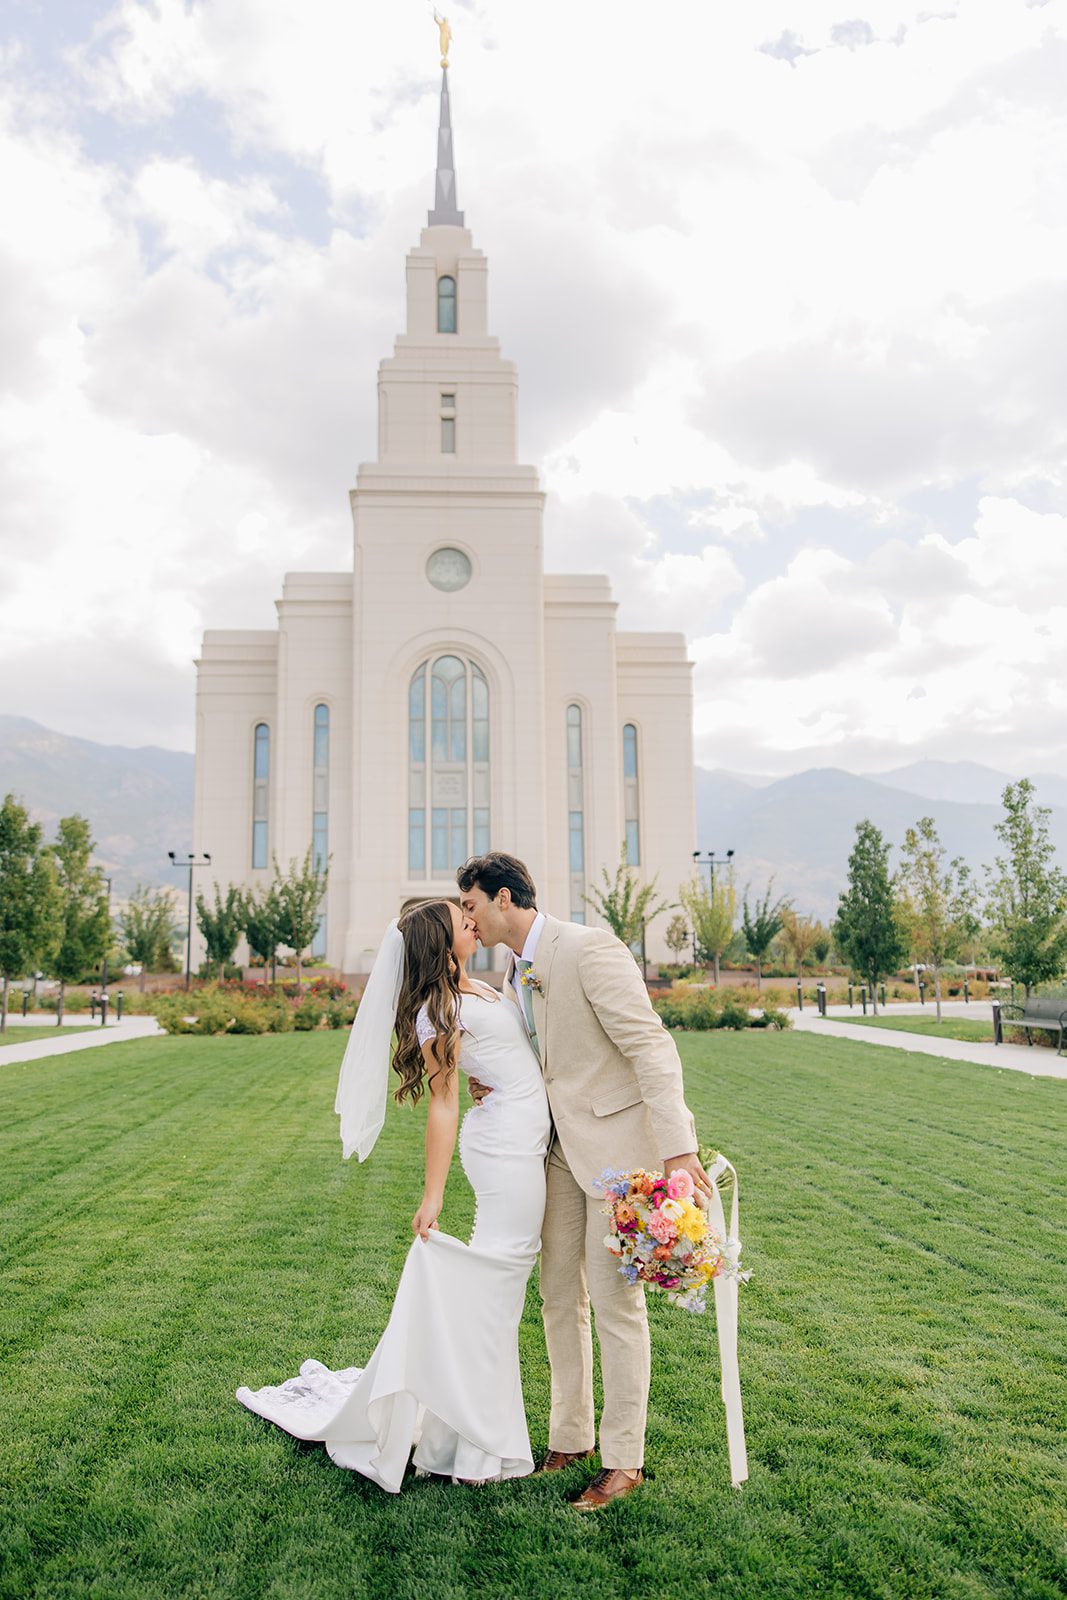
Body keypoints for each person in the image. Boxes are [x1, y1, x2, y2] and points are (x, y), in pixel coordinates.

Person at [235, 899, 551, 1492]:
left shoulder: (481, 987)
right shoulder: (438, 1010)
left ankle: (463, 1436)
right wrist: (433, 1195)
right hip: (504, 1151)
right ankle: (470, 1448)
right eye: (461, 921)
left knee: (493, 1295)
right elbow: (443, 1101)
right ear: (440, 944)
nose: (472, 921)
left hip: (525, 1139)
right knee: (499, 1291)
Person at [458, 851, 707, 1510]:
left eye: (471, 905)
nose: (468, 919)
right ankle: (569, 1440)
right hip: (556, 1150)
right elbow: (539, 1057)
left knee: (615, 1304)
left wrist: (678, 1149)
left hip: (619, 1153)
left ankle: (624, 1461)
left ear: (504, 898)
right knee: (557, 1295)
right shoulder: (514, 971)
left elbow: (649, 1045)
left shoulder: (589, 949)